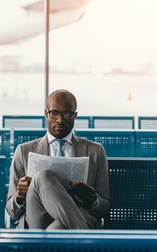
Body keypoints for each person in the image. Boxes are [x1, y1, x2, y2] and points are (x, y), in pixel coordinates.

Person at [6, 89, 110, 229]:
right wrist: (19, 196)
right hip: (37, 215)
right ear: (46, 114)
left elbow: (105, 207)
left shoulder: (95, 151)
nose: (60, 120)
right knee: (43, 177)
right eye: (54, 113)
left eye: (67, 114)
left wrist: (93, 199)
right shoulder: (24, 151)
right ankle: (84, 236)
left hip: (77, 216)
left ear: (75, 115)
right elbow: (11, 211)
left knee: (56, 230)